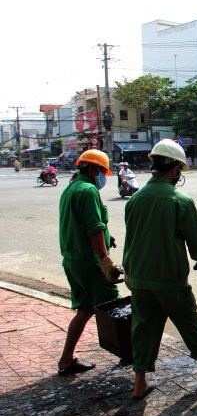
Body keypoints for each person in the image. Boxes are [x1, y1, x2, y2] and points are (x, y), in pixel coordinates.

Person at [123, 139, 197, 400]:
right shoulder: (179, 199)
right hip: (170, 280)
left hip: (139, 278)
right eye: (180, 169)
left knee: (143, 328)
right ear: (174, 168)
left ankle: (139, 383)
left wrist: (130, 272)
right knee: (189, 322)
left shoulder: (135, 199)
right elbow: (195, 240)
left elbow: (131, 239)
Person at [57, 149, 124, 375]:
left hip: (72, 262)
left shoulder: (71, 189)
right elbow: (94, 229)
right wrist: (106, 263)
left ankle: (66, 360)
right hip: (90, 265)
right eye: (102, 171)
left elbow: (85, 225)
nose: (102, 176)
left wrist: (108, 237)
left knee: (84, 310)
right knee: (115, 308)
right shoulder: (88, 190)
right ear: (94, 169)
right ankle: (129, 354)